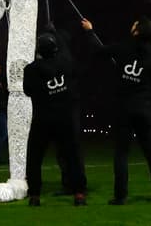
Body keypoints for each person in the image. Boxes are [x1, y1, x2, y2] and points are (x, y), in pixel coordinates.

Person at [81, 15, 151, 205]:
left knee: (121, 153)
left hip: (124, 109)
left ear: (137, 31)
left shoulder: (123, 47)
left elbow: (99, 51)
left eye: (135, 24)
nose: (132, 24)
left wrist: (90, 31)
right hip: (144, 109)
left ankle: (121, 196)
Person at [23, 26, 88, 206]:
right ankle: (79, 192)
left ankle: (35, 194)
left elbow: (27, 91)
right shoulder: (66, 63)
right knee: (72, 156)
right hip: (65, 117)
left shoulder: (31, 69)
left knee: (35, 157)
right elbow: (74, 73)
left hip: (42, 118)